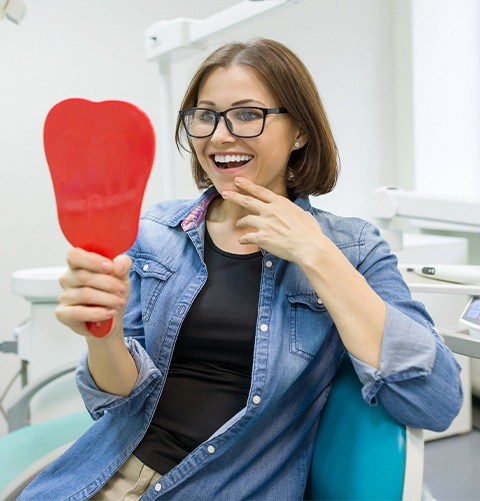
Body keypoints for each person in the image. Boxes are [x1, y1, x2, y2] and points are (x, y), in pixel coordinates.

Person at [20, 38, 462, 501]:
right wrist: (102, 336)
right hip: (102, 476)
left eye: (248, 114)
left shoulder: (352, 248)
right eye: (205, 115)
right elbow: (115, 402)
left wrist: (316, 253)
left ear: (300, 132)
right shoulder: (154, 233)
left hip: (225, 487)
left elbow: (434, 400)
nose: (220, 135)